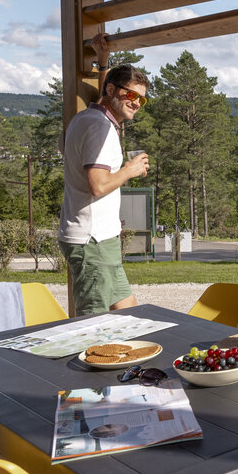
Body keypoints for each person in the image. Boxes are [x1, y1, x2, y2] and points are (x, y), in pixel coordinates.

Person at [58, 32, 150, 316]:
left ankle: (132, 359)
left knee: (127, 312)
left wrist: (103, 60)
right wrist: (130, 170)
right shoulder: (99, 128)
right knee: (94, 323)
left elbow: (109, 96)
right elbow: (97, 185)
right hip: (92, 241)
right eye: (131, 95)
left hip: (100, 239)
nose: (136, 102)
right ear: (111, 91)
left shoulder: (90, 118)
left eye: (141, 99)